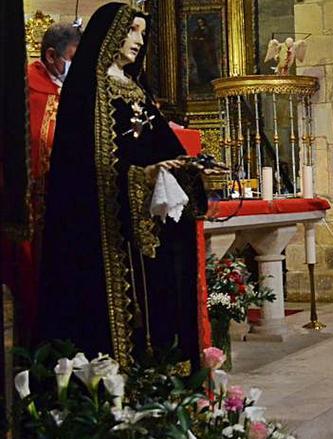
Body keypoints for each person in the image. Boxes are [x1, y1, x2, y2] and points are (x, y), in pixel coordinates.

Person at [39, 3, 207, 370]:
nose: (138, 39)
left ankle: (160, 374)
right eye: (132, 30)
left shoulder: (136, 88)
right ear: (110, 33)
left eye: (143, 33)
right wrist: (140, 176)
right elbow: (83, 168)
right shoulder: (87, 90)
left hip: (145, 221)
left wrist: (191, 168)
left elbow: (163, 146)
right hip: (104, 231)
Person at [0, 23, 80, 347]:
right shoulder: (25, 90)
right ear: (51, 55)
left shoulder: (73, 89)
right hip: (35, 212)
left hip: (69, 211)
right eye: (71, 58)